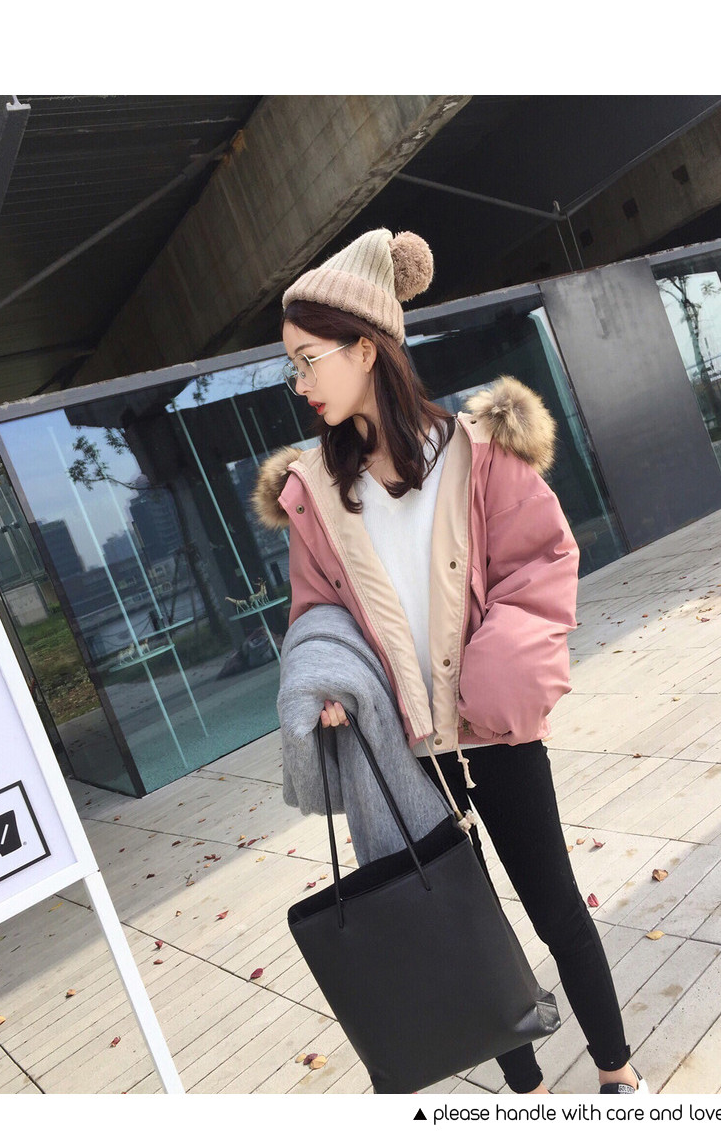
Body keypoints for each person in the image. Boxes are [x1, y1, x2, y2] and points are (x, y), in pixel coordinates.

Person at [253, 227, 647, 1096]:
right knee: (472, 927)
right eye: (292, 367)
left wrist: (494, 679)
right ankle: (528, 1094)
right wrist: (328, 681)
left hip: (495, 730)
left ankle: (618, 1074)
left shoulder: (477, 451)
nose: (301, 383)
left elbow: (540, 564)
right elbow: (317, 612)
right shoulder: (314, 492)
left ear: (366, 347)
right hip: (407, 752)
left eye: (308, 360)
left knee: (555, 908)